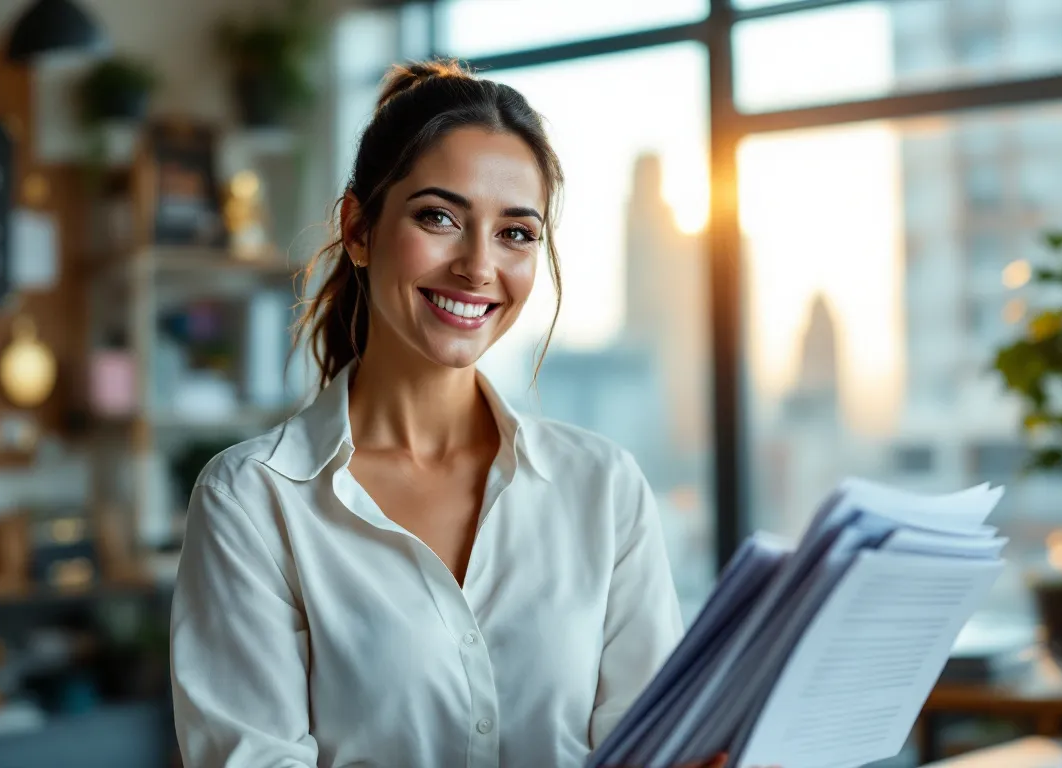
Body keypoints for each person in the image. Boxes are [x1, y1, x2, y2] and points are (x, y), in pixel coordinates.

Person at [169, 59, 747, 768]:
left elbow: (645, 746)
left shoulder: (605, 488)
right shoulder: (252, 501)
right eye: (439, 217)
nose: (478, 266)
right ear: (358, 228)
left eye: (516, 233)